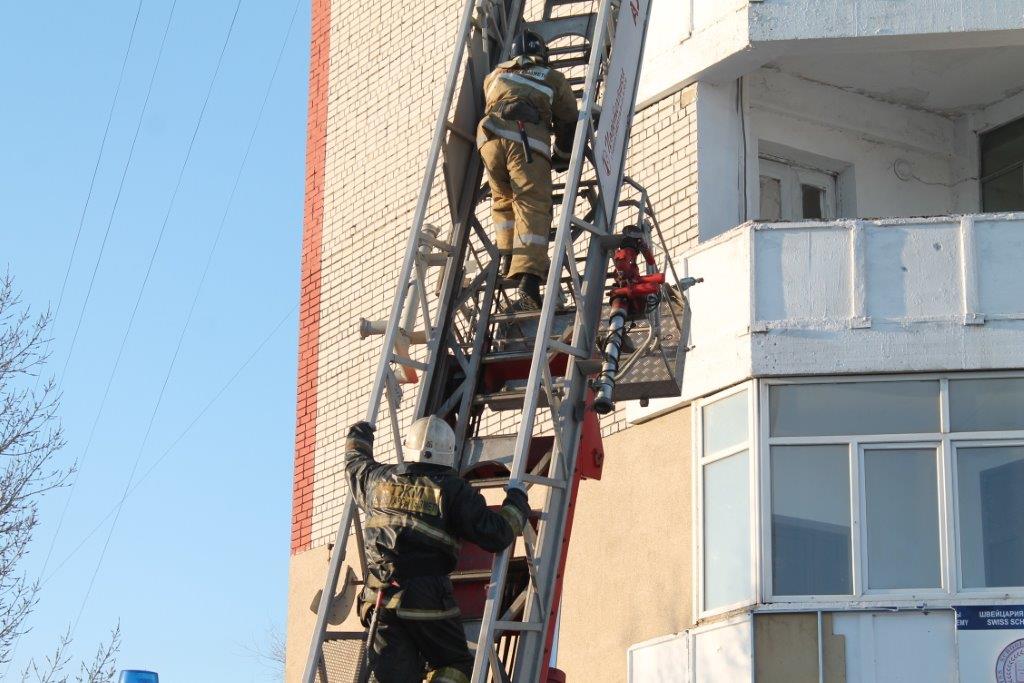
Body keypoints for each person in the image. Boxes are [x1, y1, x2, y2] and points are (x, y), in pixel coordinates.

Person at [345, 416, 530, 682]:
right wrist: (517, 501)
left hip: (379, 597)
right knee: (455, 663)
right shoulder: (452, 489)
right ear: (448, 454)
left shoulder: (376, 480)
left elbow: (354, 462)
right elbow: (496, 534)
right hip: (426, 595)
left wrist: (361, 432)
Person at [477, 30, 578, 310]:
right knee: (532, 205)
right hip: (523, 139)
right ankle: (530, 285)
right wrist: (561, 155)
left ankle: (507, 257)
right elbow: (569, 120)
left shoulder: (494, 76)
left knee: (504, 200)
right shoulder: (551, 77)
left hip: (488, 140)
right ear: (542, 55)